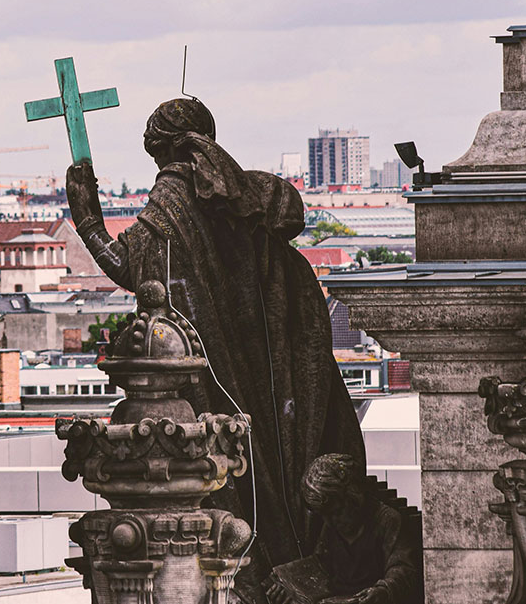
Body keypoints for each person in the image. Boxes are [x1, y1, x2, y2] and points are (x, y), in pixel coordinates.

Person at [66, 97, 366, 591]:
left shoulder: (172, 199)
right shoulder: (241, 194)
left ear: (159, 151)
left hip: (213, 370)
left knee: (228, 477)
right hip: (266, 372)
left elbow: (133, 268)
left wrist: (88, 218)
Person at [266, 454, 422, 604]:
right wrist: (288, 584)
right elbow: (321, 566)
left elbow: (403, 568)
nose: (329, 521)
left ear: (353, 498)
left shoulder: (387, 520)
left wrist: (383, 590)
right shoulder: (332, 527)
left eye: (335, 512)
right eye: (324, 515)